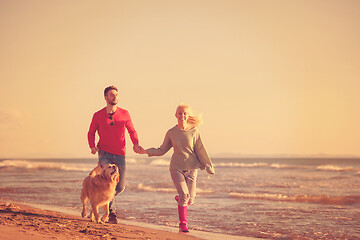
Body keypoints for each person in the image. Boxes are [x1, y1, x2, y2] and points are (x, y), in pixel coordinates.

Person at [141, 104, 215, 233]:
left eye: (185, 113)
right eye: (180, 113)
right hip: (176, 168)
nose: (182, 116)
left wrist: (208, 166)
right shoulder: (171, 132)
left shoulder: (194, 131)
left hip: (192, 169)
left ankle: (180, 199)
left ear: (188, 115)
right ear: (176, 115)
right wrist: (146, 151)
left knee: (190, 199)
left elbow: (200, 150)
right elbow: (162, 150)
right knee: (184, 195)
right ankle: (183, 225)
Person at [87, 86, 144, 224]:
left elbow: (132, 131)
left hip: (120, 154)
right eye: (112, 95)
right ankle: (111, 212)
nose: (115, 97)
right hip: (104, 153)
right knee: (109, 180)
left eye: (116, 95)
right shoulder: (98, 115)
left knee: (120, 186)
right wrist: (92, 146)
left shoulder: (124, 113)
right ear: (106, 98)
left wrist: (136, 143)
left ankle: (98, 202)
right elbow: (91, 132)